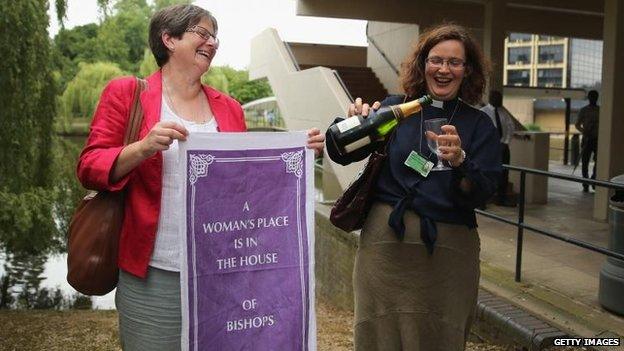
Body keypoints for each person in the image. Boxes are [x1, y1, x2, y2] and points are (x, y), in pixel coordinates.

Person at [76, 5, 325, 350]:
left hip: (220, 274)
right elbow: (89, 166)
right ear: (169, 39)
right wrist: (143, 147)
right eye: (202, 33)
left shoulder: (230, 107)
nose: (212, 42)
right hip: (154, 274)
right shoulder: (126, 93)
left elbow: (244, 185)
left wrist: (293, 154)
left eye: (215, 36)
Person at [326, 24, 501, 350]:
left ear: (467, 71)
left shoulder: (479, 125)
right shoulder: (394, 108)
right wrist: (350, 123)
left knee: (441, 333)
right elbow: (340, 151)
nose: (444, 69)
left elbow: (485, 190)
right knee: (379, 333)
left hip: (447, 255)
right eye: (436, 60)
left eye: (455, 62)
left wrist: (461, 160)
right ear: (423, 65)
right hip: (385, 251)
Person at [481, 90, 516, 206]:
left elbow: (511, 127)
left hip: (503, 148)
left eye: (501, 98)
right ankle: (482, 201)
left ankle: (501, 199)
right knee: (486, 173)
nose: (500, 100)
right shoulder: (483, 112)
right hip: (488, 149)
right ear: (491, 98)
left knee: (504, 174)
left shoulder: (503, 112)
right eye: (498, 98)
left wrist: (505, 142)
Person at [575, 90, 599, 192]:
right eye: (591, 96)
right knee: (585, 162)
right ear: (589, 98)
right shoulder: (583, 110)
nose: (593, 98)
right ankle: (585, 183)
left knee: (598, 161)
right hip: (587, 139)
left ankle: (594, 180)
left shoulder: (601, 110)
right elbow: (577, 125)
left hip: (597, 140)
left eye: (595, 97)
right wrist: (584, 131)